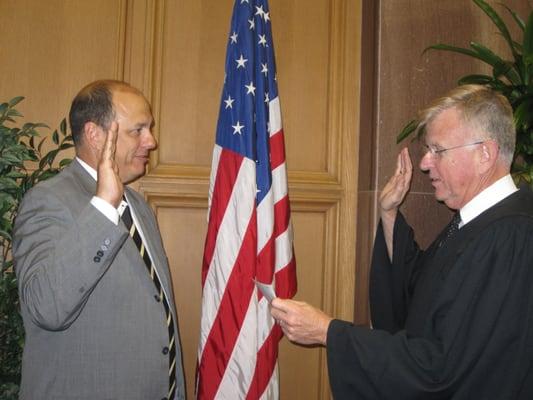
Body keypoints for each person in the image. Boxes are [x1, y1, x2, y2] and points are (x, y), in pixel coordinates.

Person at [271, 84, 533, 399]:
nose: (424, 163)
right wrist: (389, 213)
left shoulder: (509, 237)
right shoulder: (478, 223)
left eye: (438, 150)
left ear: (485, 154)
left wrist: (328, 331)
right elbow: (423, 292)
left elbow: (447, 371)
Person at [13, 80, 186, 400]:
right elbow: (45, 306)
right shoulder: (47, 200)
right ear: (95, 135)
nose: (151, 140)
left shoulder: (139, 208)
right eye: (138, 130)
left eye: (149, 128)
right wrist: (104, 206)